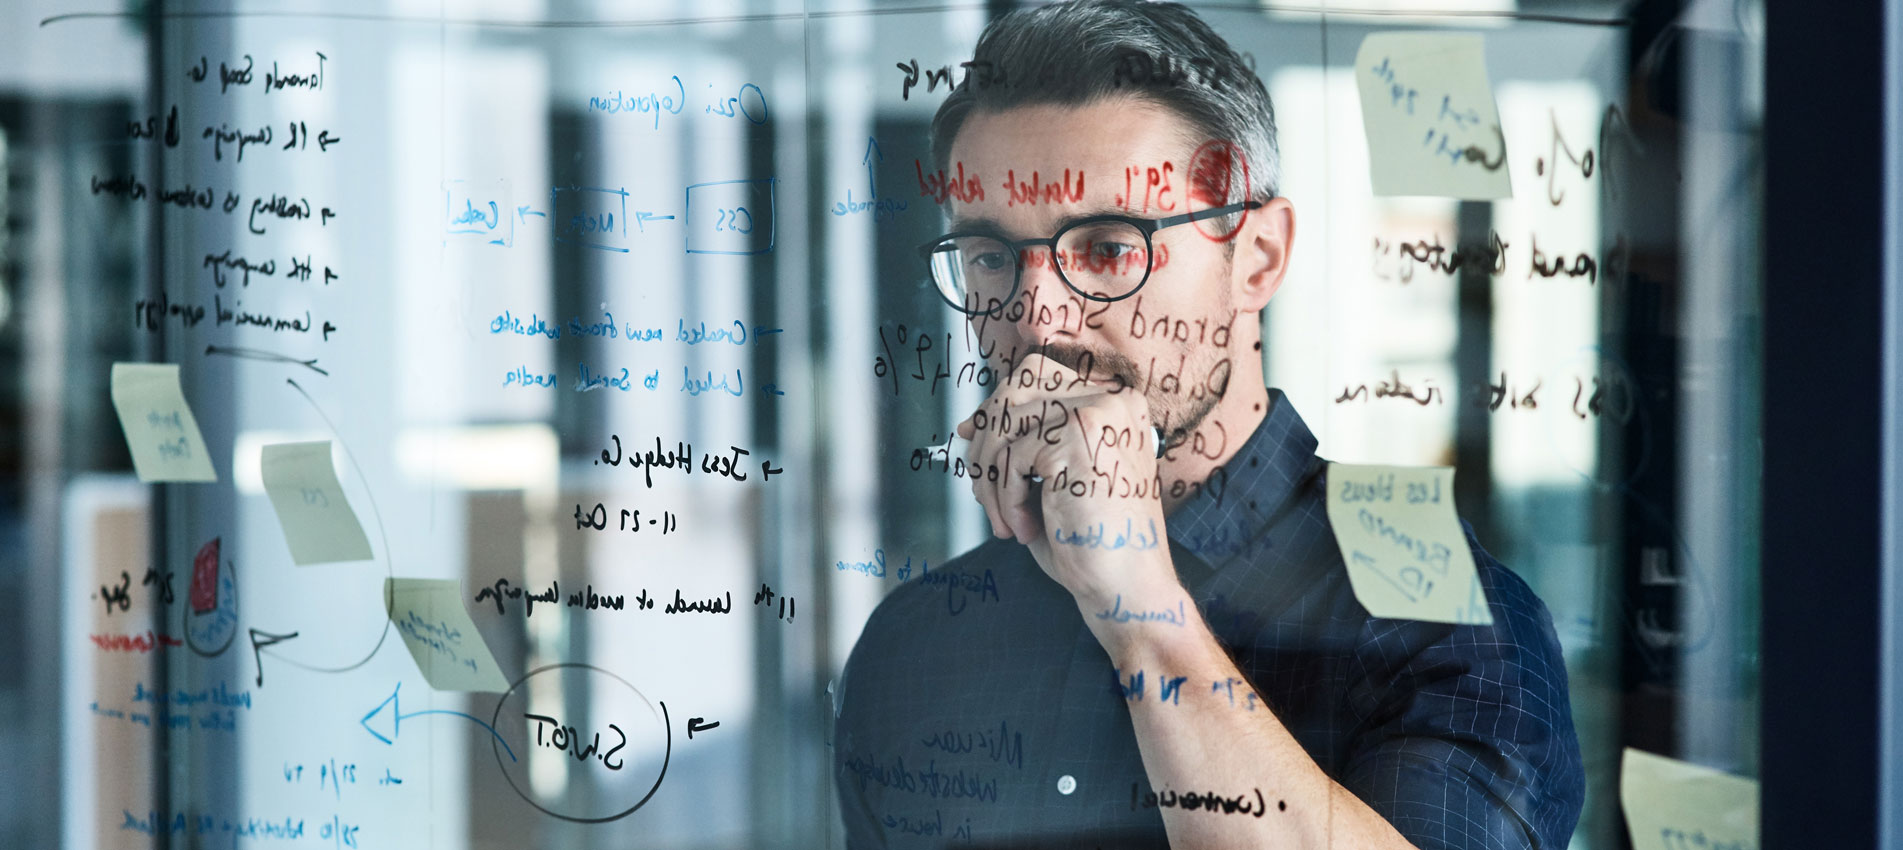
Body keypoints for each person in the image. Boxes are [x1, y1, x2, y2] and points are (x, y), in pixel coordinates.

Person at [833, 2, 1583, 848]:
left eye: (1109, 248)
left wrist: (1145, 616)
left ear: (1256, 257)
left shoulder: (1441, 619)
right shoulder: (917, 642)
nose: (1038, 318)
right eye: (989, 256)